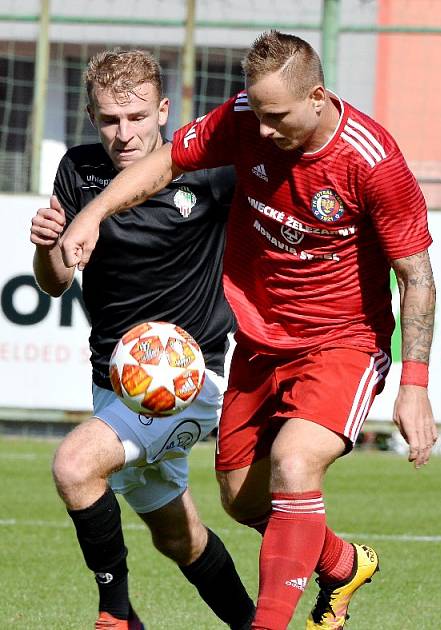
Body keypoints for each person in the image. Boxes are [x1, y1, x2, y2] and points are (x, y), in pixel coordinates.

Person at [59, 31, 438, 630]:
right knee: (242, 501)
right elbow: (168, 160)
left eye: (275, 116)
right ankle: (340, 564)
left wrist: (414, 384)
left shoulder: (372, 162)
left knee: (294, 461)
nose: (259, 130)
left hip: (344, 339)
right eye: (254, 112)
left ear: (317, 96)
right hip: (260, 343)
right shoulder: (245, 118)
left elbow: (417, 276)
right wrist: (93, 212)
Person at [30, 49, 254, 629]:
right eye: (108, 119)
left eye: (135, 117)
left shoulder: (207, 171)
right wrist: (46, 245)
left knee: (76, 466)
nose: (123, 133)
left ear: (162, 112)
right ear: (90, 117)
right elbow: (54, 284)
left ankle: (116, 616)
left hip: (189, 377)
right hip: (114, 381)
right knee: (180, 539)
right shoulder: (79, 172)